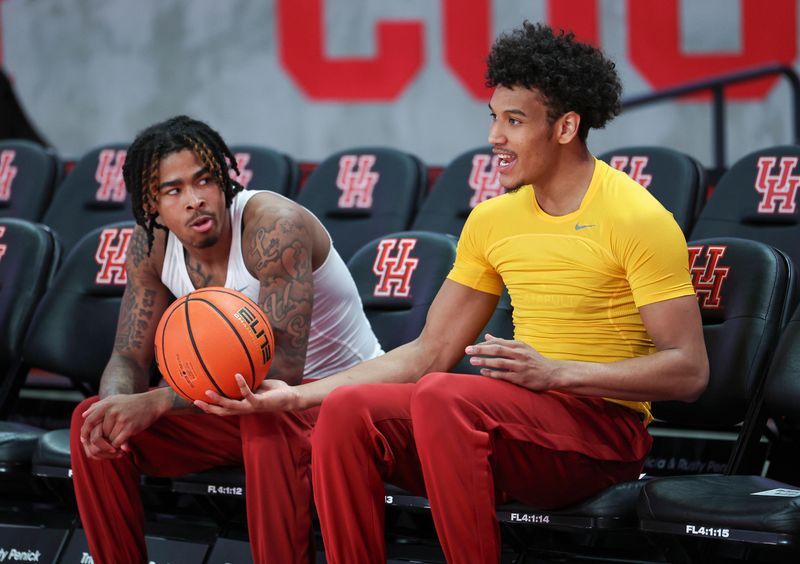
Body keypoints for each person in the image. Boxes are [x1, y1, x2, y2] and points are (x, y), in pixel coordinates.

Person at [198, 22, 709, 564]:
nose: (495, 137)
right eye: (494, 118)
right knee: (349, 409)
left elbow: (689, 371)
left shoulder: (639, 218)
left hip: (604, 435)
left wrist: (556, 372)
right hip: (523, 424)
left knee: (446, 395)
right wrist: (298, 396)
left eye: (515, 121)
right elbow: (429, 352)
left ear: (565, 127)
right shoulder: (491, 220)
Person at [70, 115, 383, 564]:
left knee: (266, 418)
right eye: (173, 190)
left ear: (223, 179)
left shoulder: (274, 228)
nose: (195, 200)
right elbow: (128, 355)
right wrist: (116, 405)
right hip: (240, 400)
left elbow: (280, 377)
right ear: (151, 204)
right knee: (92, 421)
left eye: (204, 180)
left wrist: (157, 401)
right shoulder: (150, 244)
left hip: (336, 400)